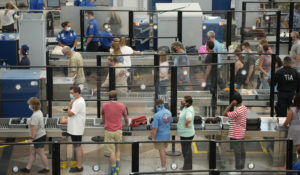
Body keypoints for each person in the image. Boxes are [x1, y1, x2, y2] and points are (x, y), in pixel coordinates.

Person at [101, 90, 128, 175]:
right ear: (117, 96)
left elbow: (103, 117)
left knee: (111, 152)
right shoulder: (122, 105)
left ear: (109, 97)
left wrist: (105, 123)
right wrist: (126, 124)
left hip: (109, 131)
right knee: (117, 150)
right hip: (118, 131)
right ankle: (117, 166)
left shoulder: (104, 105)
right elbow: (126, 117)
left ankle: (114, 171)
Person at [20, 97, 49, 174]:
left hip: (38, 137)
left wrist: (32, 139)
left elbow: (34, 128)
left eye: (29, 104)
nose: (29, 106)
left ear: (33, 105)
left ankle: (46, 168)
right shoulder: (38, 112)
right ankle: (27, 168)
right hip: (36, 137)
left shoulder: (36, 115)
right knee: (32, 153)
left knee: (41, 153)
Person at [222, 92, 247, 173]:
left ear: (235, 101)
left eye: (233, 100)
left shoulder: (237, 111)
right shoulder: (244, 108)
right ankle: (242, 167)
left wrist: (231, 105)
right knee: (242, 151)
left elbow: (224, 113)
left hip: (236, 134)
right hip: (241, 133)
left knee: (237, 153)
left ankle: (237, 170)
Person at [67, 86, 86, 173]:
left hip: (76, 129)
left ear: (77, 93)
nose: (71, 95)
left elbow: (70, 114)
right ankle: (79, 165)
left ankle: (79, 166)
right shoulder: (77, 100)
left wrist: (69, 106)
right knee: (76, 146)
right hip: (74, 128)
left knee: (78, 147)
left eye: (72, 93)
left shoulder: (78, 102)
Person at [152, 99, 172, 171]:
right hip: (167, 134)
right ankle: (163, 165)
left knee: (161, 150)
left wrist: (153, 138)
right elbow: (170, 122)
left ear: (156, 105)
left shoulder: (157, 115)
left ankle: (163, 167)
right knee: (163, 149)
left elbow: (155, 128)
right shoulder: (168, 112)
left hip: (160, 136)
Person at [177, 96, 195, 170]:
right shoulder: (186, 107)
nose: (181, 101)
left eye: (183, 100)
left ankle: (187, 168)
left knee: (186, 152)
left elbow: (189, 119)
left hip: (186, 134)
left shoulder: (188, 110)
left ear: (187, 103)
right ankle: (187, 166)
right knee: (186, 151)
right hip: (185, 133)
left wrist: (186, 124)